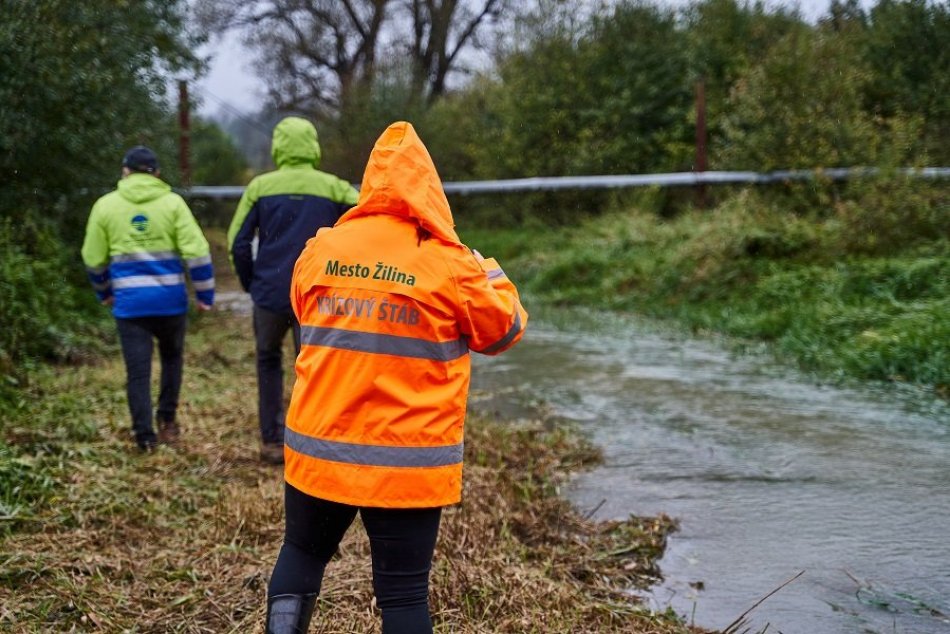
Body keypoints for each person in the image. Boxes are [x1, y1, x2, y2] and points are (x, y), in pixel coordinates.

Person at [264, 121, 529, 633]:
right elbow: (504, 332)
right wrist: (488, 268)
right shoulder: (450, 264)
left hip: (319, 450)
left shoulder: (321, 248)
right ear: (429, 187)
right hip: (406, 464)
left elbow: (302, 312)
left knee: (300, 556)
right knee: (404, 593)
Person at [227, 116, 359, 465]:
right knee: (315, 368)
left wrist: (251, 283)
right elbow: (368, 222)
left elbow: (238, 243)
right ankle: (314, 442)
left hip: (269, 293)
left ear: (277, 147)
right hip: (317, 296)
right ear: (314, 146)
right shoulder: (336, 187)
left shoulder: (259, 187)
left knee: (268, 362)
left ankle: (272, 442)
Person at [81, 146, 215, 452]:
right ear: (156, 173)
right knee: (171, 360)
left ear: (125, 170)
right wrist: (205, 294)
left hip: (130, 307)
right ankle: (167, 421)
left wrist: (104, 292)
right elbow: (197, 252)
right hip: (170, 302)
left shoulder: (105, 206)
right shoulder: (173, 204)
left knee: (138, 372)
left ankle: (144, 436)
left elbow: (93, 258)